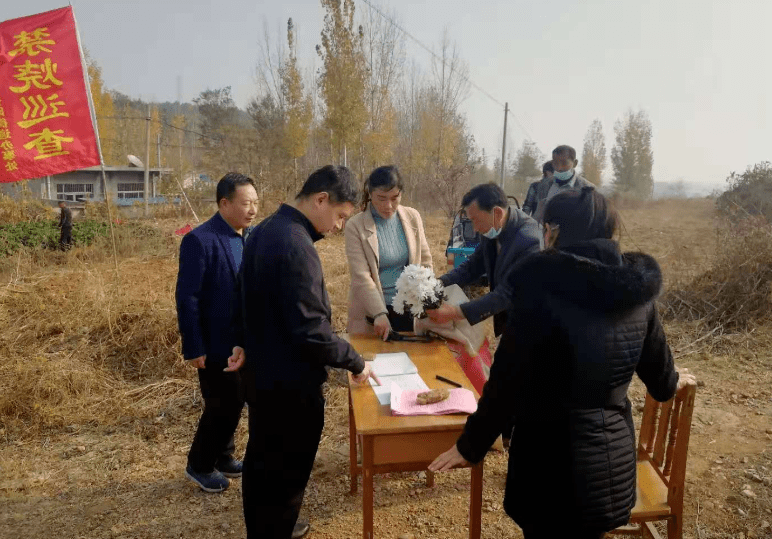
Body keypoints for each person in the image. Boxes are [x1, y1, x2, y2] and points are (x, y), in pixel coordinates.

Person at [430, 187, 695, 539]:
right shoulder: (637, 294)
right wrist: (674, 377)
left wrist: (470, 446)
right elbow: (661, 384)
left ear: (553, 230)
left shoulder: (540, 289)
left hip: (546, 470)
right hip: (608, 473)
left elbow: (506, 384)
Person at [226, 165, 378, 539]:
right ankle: (275, 529)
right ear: (321, 199)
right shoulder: (296, 244)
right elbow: (311, 329)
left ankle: (266, 527)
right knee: (287, 469)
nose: (340, 226)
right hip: (290, 384)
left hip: (263, 374)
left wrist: (242, 340)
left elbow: (244, 296)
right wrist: (356, 361)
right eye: (341, 216)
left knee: (262, 463)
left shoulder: (264, 230)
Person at [175, 172, 258, 493]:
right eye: (245, 203)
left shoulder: (248, 237)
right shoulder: (200, 240)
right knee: (221, 404)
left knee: (236, 401)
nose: (252, 210)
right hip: (213, 343)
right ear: (224, 204)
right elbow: (188, 297)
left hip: (243, 341)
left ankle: (224, 456)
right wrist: (193, 346)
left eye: (255, 203)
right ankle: (199, 464)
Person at [425, 182, 541, 337]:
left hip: (532, 322)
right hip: (508, 319)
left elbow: (507, 293)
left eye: (475, 220)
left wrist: (456, 312)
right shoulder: (492, 228)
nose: (475, 228)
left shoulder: (530, 241)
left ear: (497, 213)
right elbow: (472, 267)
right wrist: (438, 284)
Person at [345, 165, 433, 339]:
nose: (388, 205)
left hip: (409, 308)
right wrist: (379, 313)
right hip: (374, 312)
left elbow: (425, 263)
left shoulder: (412, 217)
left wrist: (428, 300)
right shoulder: (355, 226)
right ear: (370, 194)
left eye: (395, 198)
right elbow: (361, 276)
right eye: (381, 198)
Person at [532, 144, 595, 223]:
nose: (559, 168)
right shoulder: (545, 185)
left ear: (575, 163)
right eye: (555, 163)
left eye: (564, 163)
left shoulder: (587, 189)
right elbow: (538, 215)